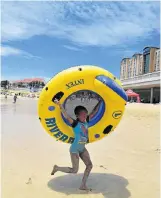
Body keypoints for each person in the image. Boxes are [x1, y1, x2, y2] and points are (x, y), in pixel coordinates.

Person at [51, 98, 102, 191]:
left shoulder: (86, 121)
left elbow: (94, 111)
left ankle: (83, 185)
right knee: (75, 170)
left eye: (85, 114)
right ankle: (57, 168)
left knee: (89, 165)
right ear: (77, 116)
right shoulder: (75, 123)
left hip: (82, 148)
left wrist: (101, 101)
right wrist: (59, 105)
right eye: (82, 114)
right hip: (75, 149)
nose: (85, 115)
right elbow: (66, 115)